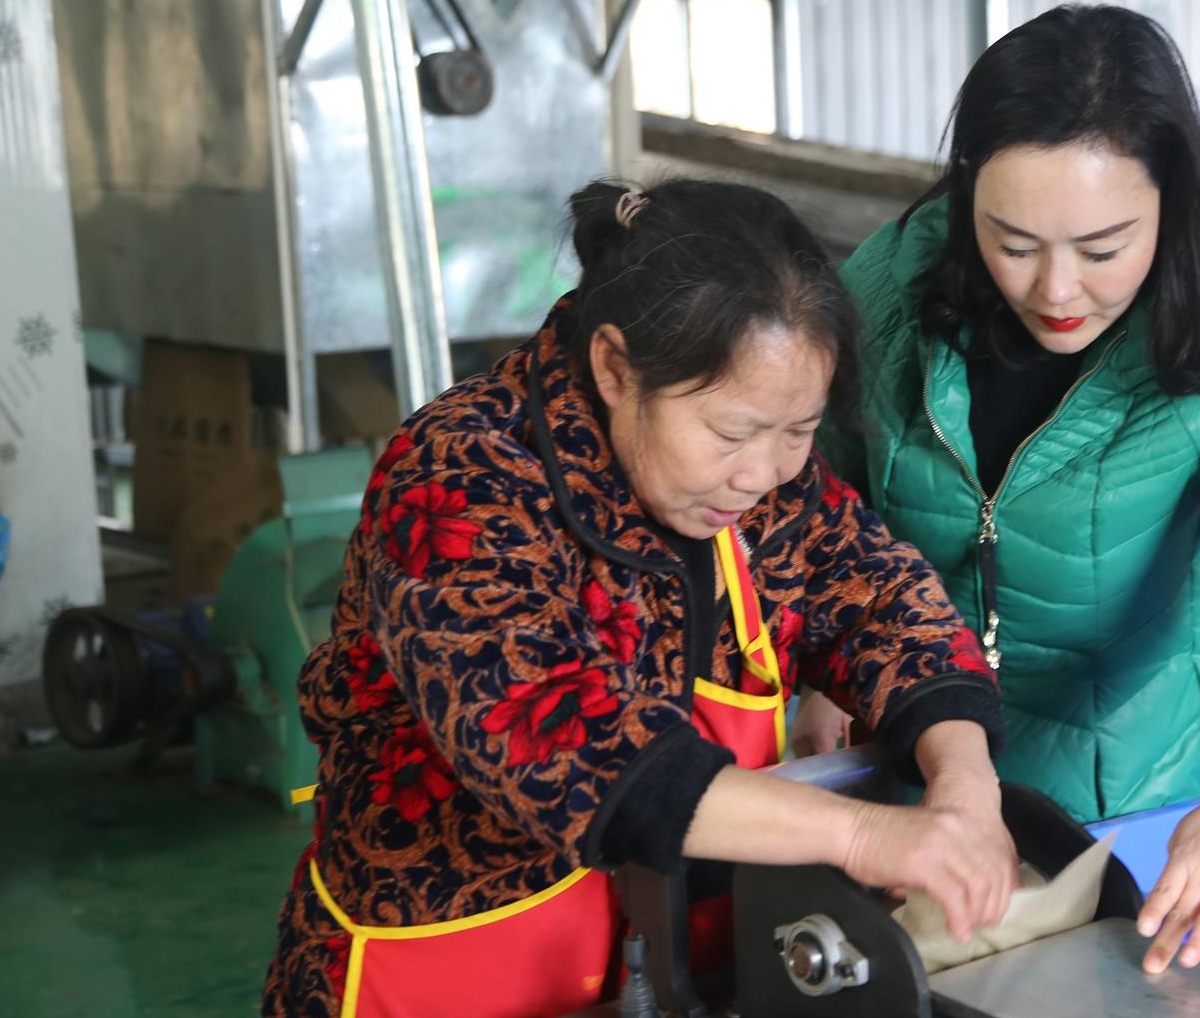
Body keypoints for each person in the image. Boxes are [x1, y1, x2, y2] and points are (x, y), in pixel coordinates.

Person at [263, 180, 1018, 1018]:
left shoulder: (766, 486)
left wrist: (963, 785)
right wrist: (864, 835)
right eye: (731, 433)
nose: (762, 474)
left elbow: (882, 600)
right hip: (450, 964)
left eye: (798, 432)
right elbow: (552, 733)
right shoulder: (462, 475)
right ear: (616, 369)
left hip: (680, 965)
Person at [806, 4, 1200, 977]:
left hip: (1128, 795)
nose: (1056, 289)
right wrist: (818, 667)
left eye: (1103, 249)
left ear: (1173, 204)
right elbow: (824, 492)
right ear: (966, 187)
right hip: (917, 764)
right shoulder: (888, 296)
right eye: (1013, 242)